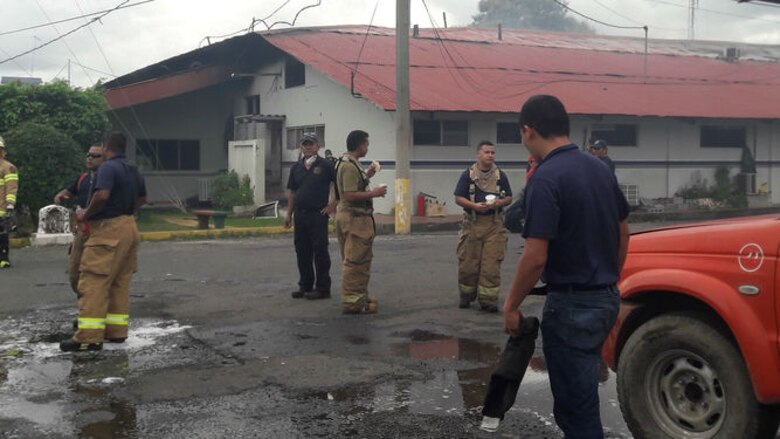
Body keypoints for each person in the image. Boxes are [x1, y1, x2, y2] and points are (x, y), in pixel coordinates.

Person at [503, 95, 629, 438]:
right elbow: (622, 231)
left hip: (572, 306)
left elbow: (535, 256)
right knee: (584, 391)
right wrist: (609, 280)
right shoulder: (600, 168)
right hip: (605, 298)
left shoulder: (545, 177)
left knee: (575, 410)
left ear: (528, 131)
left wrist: (512, 305)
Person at [60, 132, 146, 352]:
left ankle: (88, 337)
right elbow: (143, 199)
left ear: (107, 147)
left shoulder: (107, 168)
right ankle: (116, 332)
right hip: (129, 227)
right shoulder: (132, 168)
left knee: (93, 281)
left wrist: (86, 214)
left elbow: (101, 196)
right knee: (118, 281)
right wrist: (126, 212)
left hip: (107, 229)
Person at [454, 141, 512, 312]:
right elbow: (458, 197)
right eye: (486, 152)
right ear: (478, 154)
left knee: (491, 264)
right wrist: (474, 206)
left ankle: (488, 300)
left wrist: (498, 203)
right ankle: (466, 296)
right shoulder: (468, 175)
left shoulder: (500, 175)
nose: (490, 156)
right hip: (472, 223)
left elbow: (508, 197)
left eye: (493, 152)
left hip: (494, 224)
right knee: (468, 264)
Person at [334, 130, 386, 315]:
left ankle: (359, 296)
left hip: (350, 217)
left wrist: (369, 174)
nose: (367, 147)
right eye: (366, 144)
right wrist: (375, 193)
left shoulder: (349, 163)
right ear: (359, 145)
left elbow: (355, 185)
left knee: (358, 260)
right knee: (356, 261)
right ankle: (353, 304)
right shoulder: (348, 166)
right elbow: (349, 194)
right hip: (354, 219)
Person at [284, 133, 336, 300]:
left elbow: (337, 185)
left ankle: (323, 288)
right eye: (305, 144)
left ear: (317, 146)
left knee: (320, 251)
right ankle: (305, 285)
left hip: (318, 215)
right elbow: (292, 192)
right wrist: (289, 214)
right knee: (302, 251)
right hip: (300, 214)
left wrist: (332, 205)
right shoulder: (296, 168)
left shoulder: (326, 165)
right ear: (302, 146)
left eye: (311, 144)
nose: (308, 147)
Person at [54, 144, 105, 293]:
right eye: (88, 155)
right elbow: (69, 191)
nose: (90, 158)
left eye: (95, 156)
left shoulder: (106, 178)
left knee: (96, 270)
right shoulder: (83, 178)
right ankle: (83, 298)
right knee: (74, 270)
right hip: (82, 231)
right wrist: (61, 196)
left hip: (100, 230)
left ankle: (95, 301)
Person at [0, 135, 18, 269]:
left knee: (2, 234)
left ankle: (4, 258)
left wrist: (10, 204)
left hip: (1, 207)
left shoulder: (8, 167)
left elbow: (11, 186)